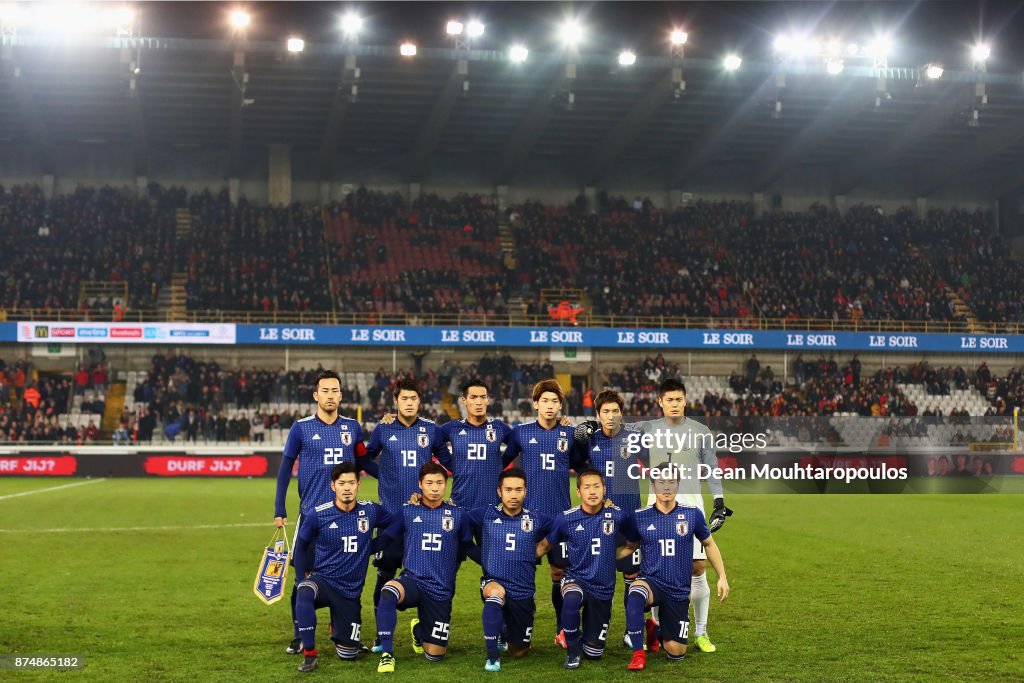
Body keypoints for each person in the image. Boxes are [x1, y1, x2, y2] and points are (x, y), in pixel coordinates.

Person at [273, 370, 373, 655]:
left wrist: (397, 480)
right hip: (311, 515)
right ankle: (299, 635)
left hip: (346, 518)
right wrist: (279, 507)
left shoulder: (352, 427)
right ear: (316, 395)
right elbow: (284, 469)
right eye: (325, 391)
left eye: (335, 390)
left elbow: (365, 462)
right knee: (303, 576)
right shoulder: (301, 428)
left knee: (342, 575)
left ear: (341, 395)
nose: (330, 395)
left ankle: (339, 628)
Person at [636, 378, 733, 653]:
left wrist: (719, 501)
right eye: (669, 399)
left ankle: (701, 632)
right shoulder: (648, 430)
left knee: (697, 568)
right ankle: (655, 629)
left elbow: (712, 467)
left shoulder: (700, 431)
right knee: (655, 569)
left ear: (685, 400)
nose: (674, 404)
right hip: (657, 507)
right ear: (660, 402)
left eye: (679, 399)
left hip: (690, 506)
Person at [362, 378, 453, 644]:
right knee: (385, 573)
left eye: (414, 399)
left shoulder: (431, 430)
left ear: (419, 402)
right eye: (404, 399)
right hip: (391, 515)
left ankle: (422, 629)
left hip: (424, 519)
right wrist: (384, 476)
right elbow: (365, 458)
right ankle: (382, 635)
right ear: (396, 401)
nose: (409, 403)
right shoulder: (383, 428)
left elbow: (447, 463)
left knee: (427, 574)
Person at [502, 379, 589, 646]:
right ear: (536, 404)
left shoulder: (568, 434)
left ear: (560, 406)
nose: (550, 406)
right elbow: (500, 463)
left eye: (555, 402)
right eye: (545, 401)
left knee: (559, 573)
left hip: (560, 517)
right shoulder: (520, 433)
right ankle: (508, 629)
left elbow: (580, 464)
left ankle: (563, 629)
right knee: (514, 574)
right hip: (526, 518)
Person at [620, 476, 730, 671]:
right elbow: (629, 546)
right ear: (653, 486)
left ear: (678, 486)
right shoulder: (641, 516)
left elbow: (709, 544)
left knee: (676, 653)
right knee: (635, 594)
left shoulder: (691, 514)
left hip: (677, 589)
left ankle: (656, 630)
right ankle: (638, 655)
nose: (667, 487)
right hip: (651, 581)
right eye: (661, 482)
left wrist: (722, 576)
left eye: (672, 482)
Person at [292, 463, 393, 672]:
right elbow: (301, 546)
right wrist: (301, 577)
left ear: (358, 485)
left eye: (351, 483)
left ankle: (338, 627)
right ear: (333, 486)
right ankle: (309, 654)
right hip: (323, 580)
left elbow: (398, 524)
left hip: (349, 593)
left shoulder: (371, 510)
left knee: (348, 656)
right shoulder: (318, 514)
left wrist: (371, 547)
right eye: (341, 483)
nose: (346, 488)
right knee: (303, 591)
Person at [373, 462, 472, 673]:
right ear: (420, 485)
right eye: (429, 483)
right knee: (389, 591)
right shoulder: (408, 511)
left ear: (446, 485)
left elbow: (465, 548)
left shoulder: (458, 515)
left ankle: (419, 631)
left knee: (434, 656)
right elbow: (386, 539)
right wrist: (358, 550)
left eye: (439, 483)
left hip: (440, 589)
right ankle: (387, 654)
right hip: (413, 581)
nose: (434, 488)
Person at [537, 469, 636, 669]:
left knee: (594, 653)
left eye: (597, 486)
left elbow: (633, 542)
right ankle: (572, 652)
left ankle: (578, 637)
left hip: (603, 588)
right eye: (587, 487)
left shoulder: (618, 516)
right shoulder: (566, 519)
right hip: (576, 578)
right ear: (579, 492)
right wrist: (519, 558)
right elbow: (544, 546)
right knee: (571, 600)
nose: (592, 492)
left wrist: (612, 555)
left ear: (604, 489)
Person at [574, 389, 649, 646]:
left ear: (621, 413)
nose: (611, 416)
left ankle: (632, 630)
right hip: (598, 522)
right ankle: (589, 628)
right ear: (598, 414)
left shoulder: (634, 439)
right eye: (605, 411)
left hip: (629, 521)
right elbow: (576, 465)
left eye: (615, 411)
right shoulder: (590, 440)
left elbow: (656, 464)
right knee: (597, 576)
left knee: (631, 577)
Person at [463, 468, 553, 671]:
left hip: (523, 591)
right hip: (494, 581)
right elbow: (456, 520)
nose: (514, 495)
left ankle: (504, 630)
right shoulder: (484, 514)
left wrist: (544, 547)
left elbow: (562, 526)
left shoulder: (537, 519)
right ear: (499, 491)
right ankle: (492, 658)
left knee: (519, 651)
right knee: (495, 594)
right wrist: (481, 557)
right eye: (509, 489)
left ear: (525, 492)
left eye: (518, 490)